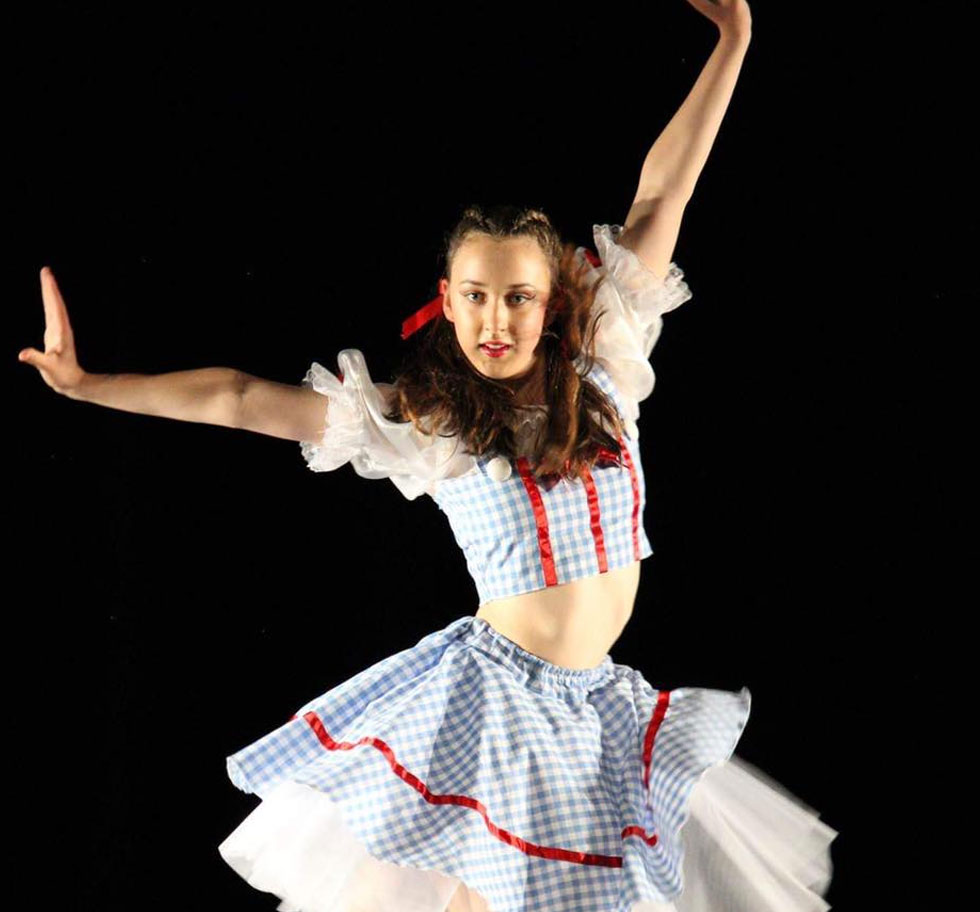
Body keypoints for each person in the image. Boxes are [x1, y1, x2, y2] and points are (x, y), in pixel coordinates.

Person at [20, 4, 838, 910]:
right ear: (447, 302)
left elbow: (661, 197)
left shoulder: (607, 361)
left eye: (518, 298)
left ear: (553, 298)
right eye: (478, 297)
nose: (498, 321)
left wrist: (734, 47)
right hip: (504, 706)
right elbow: (242, 398)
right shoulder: (435, 423)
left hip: (597, 705)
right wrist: (93, 386)